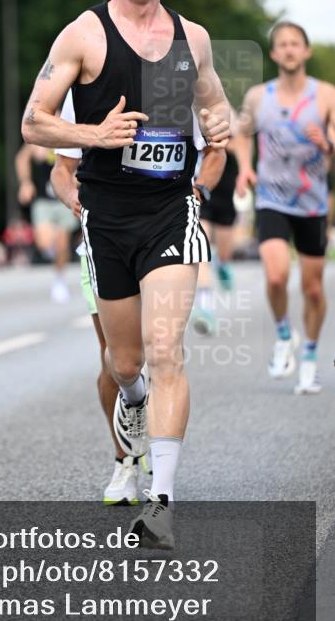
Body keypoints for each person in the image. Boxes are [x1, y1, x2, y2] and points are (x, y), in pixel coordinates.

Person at [21, 0, 230, 547]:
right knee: (125, 363)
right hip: (106, 216)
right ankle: (130, 430)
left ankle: (161, 502)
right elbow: (34, 121)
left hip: (169, 209)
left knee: (167, 353)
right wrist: (95, 134)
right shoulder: (81, 36)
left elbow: (215, 108)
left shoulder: (192, 38)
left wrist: (221, 129)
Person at [52, 93, 225, 505]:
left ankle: (158, 491)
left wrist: (199, 189)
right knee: (118, 361)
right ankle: (126, 459)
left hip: (164, 229)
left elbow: (216, 152)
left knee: (164, 351)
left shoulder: (179, 83)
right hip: (104, 238)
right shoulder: (85, 89)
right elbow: (62, 170)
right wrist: (72, 200)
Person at [235, 21, 335, 394]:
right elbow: (241, 134)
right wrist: (245, 167)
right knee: (276, 276)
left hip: (311, 202)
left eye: (296, 44)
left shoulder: (325, 94)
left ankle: (309, 357)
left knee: (312, 288)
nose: (290, 50)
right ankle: (283, 335)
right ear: (274, 54)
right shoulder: (260, 97)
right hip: (272, 198)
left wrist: (326, 142)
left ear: (306, 51)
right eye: (283, 44)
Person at [15, 143, 80, 302]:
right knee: (44, 242)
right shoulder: (42, 133)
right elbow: (22, 158)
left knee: (62, 242)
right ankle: (53, 254)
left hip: (64, 198)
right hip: (44, 200)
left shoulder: (71, 127)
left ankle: (59, 279)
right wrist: (25, 182)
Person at [191, 141, 239, 335]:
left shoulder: (229, 118)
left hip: (225, 196)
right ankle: (205, 309)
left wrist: (245, 171)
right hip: (199, 192)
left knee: (225, 253)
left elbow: (242, 144)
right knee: (201, 250)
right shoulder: (186, 115)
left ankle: (221, 262)